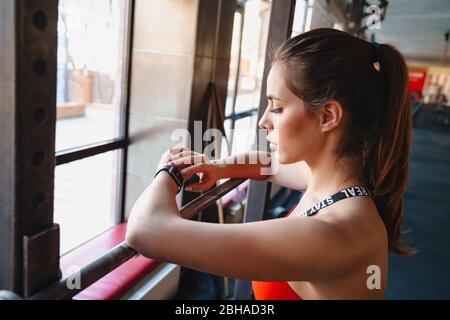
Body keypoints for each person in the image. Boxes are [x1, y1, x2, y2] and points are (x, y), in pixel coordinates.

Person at [126, 28, 415, 300]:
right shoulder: (336, 185)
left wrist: (168, 170)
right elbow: (268, 164)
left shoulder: (333, 233)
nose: (264, 122)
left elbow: (146, 231)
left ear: (327, 116)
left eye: (277, 107)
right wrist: (220, 168)